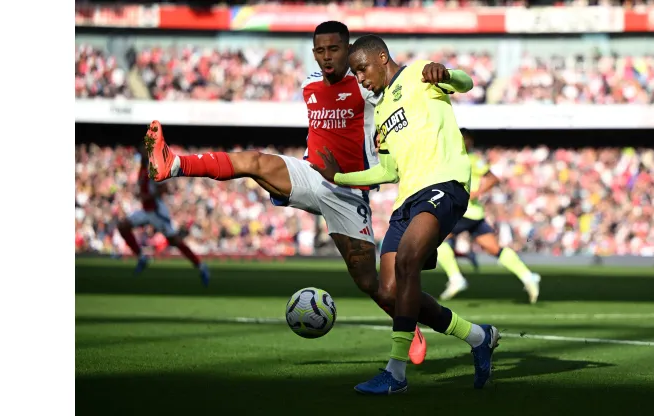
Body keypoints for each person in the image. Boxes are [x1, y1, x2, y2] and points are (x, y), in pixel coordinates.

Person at [142, 21, 428, 363]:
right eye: (320, 50)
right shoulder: (309, 84)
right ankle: (173, 164)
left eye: (334, 49)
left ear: (348, 49)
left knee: (369, 283)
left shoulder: (366, 86)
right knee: (255, 161)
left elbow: (398, 90)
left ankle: (408, 324)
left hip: (348, 191)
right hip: (309, 174)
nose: (326, 57)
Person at [311, 34, 500, 395]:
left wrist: (445, 73)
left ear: (382, 58)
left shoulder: (419, 74)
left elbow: (466, 82)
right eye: (355, 73)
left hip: (445, 183)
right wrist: (338, 176)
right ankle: (479, 336)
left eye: (362, 69)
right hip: (408, 197)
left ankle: (395, 373)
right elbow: (387, 171)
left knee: (408, 261)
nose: (361, 79)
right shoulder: (380, 112)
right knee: (392, 290)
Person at [437, 128, 541, 303]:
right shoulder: (456, 158)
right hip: (474, 214)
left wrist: (477, 192)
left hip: (463, 211)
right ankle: (527, 276)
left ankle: (456, 278)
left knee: (437, 240)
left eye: (466, 139)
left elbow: (493, 178)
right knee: (494, 248)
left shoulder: (468, 159)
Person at [117, 145, 210, 285]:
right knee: (123, 226)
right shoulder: (142, 168)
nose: (141, 152)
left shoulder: (154, 168)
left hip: (156, 211)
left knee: (175, 241)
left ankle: (201, 266)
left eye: (144, 150)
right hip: (146, 210)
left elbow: (163, 188)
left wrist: (147, 196)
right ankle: (142, 258)